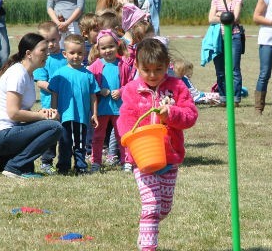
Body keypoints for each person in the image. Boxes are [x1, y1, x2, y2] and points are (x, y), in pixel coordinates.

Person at [116, 38, 198, 251]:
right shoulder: (132, 90)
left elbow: (190, 116)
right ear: (136, 66)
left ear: (167, 64)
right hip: (142, 159)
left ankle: (146, 230)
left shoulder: (177, 87)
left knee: (163, 209)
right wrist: (128, 140)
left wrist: (171, 114)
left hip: (170, 158)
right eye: (147, 70)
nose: (152, 75)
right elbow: (124, 119)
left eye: (158, 69)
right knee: (151, 206)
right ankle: (148, 247)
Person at [0, 33, 64, 179]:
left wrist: (41, 114)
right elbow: (13, 113)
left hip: (4, 133)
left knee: (28, 165)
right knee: (55, 127)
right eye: (43, 50)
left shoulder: (28, 74)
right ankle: (15, 167)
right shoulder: (18, 74)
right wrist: (42, 116)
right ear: (29, 54)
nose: (47, 54)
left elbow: (22, 111)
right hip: (0, 133)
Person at [48, 35, 100, 175]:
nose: (76, 56)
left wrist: (94, 114)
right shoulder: (59, 74)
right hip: (65, 115)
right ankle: (63, 167)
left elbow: (93, 96)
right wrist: (54, 111)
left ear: (85, 53)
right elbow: (54, 94)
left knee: (81, 143)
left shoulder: (88, 75)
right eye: (72, 53)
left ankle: (80, 166)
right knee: (65, 143)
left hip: (82, 116)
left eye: (80, 53)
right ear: (65, 54)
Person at [87, 29, 131, 172]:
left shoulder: (123, 65)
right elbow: (89, 84)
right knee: (98, 136)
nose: (108, 50)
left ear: (117, 45)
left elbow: (130, 84)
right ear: (98, 49)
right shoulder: (95, 66)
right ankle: (96, 162)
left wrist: (121, 91)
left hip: (119, 109)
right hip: (100, 109)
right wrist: (100, 90)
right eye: (103, 48)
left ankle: (127, 161)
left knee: (122, 136)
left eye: (111, 46)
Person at [33, 22, 68, 175]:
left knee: (66, 135)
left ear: (60, 37)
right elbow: (40, 82)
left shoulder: (67, 56)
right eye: (46, 41)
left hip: (67, 104)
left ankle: (64, 162)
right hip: (49, 106)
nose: (51, 44)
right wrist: (56, 88)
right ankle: (46, 162)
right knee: (51, 135)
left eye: (54, 39)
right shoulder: (42, 59)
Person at [208, 0, 244, 107]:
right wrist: (224, 15)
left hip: (234, 35)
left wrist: (219, 14)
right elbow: (210, 18)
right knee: (220, 69)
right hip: (218, 37)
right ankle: (223, 98)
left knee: (234, 68)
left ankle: (235, 99)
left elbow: (234, 18)